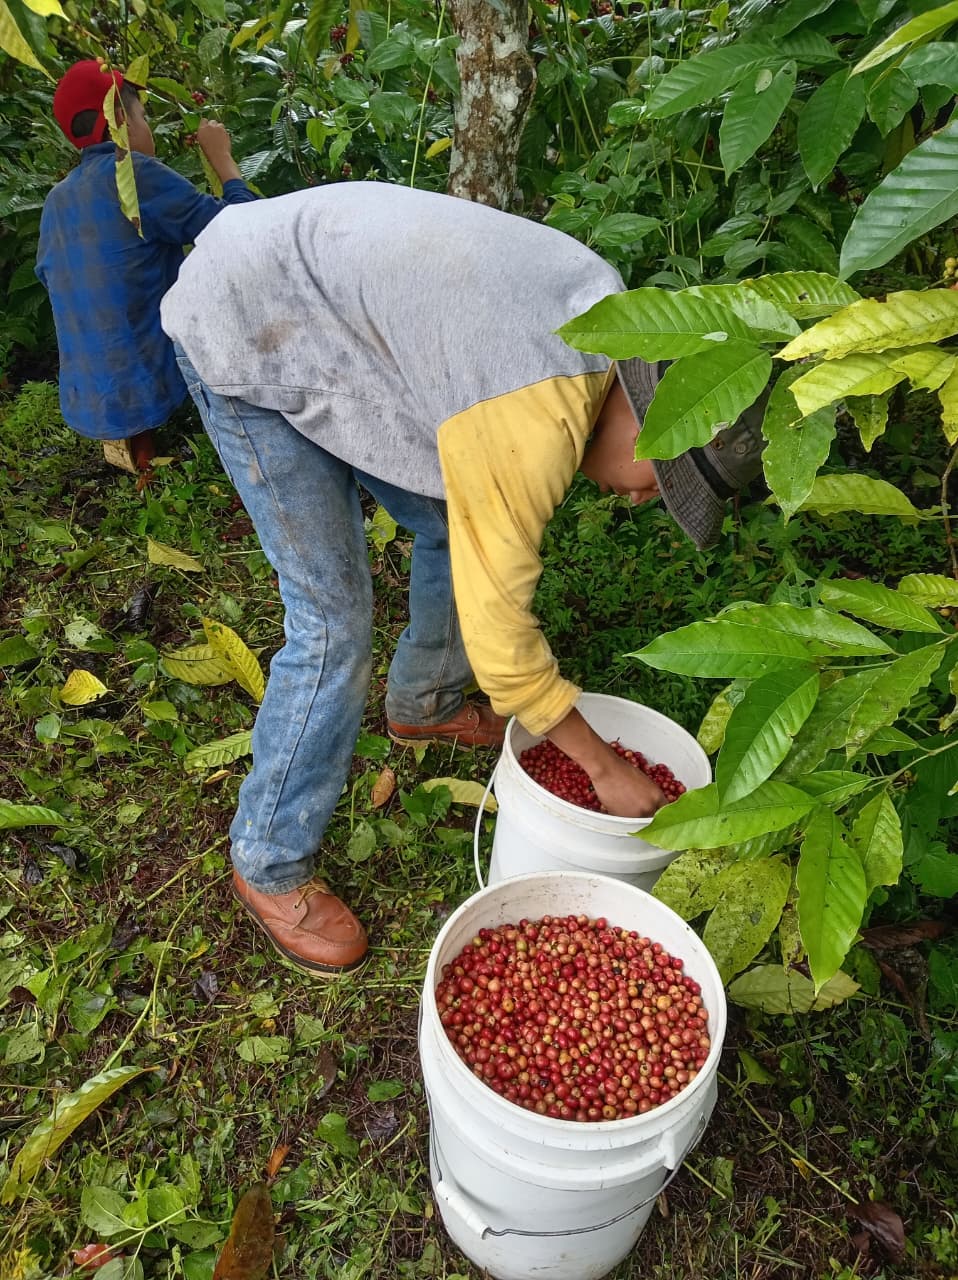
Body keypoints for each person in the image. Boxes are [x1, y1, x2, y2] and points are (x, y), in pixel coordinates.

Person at [159, 182, 765, 978]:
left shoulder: (614, 323)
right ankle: (270, 861)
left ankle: (423, 705)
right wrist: (603, 766)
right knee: (334, 622)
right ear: (650, 413)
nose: (647, 498)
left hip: (326, 309)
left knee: (451, 520)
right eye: (665, 480)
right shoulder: (533, 414)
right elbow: (506, 646)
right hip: (246, 317)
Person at [35, 59, 257, 473]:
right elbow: (241, 231)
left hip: (86, 395)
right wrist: (222, 159)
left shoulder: (57, 200)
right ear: (121, 118)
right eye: (143, 115)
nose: (146, 125)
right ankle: (156, 456)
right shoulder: (134, 174)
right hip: (147, 385)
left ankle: (136, 448)